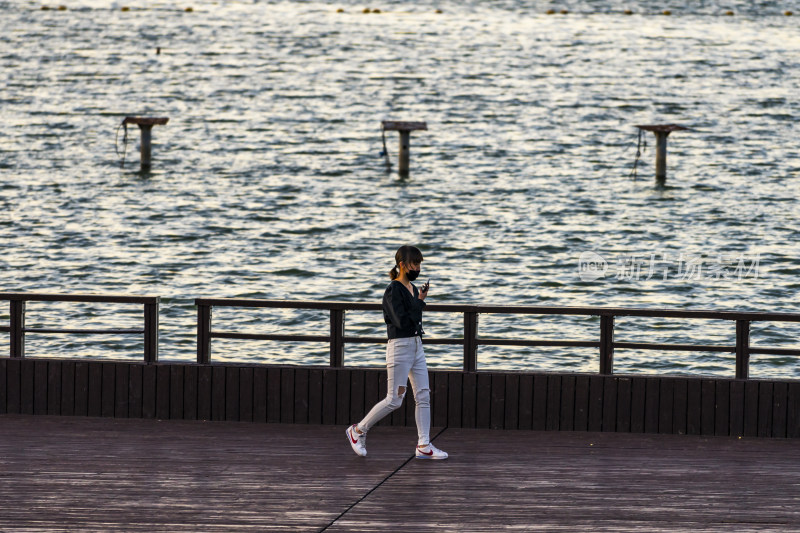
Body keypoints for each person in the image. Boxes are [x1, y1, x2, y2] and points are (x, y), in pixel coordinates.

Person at [345, 245, 448, 460]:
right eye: (414, 264)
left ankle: (424, 445)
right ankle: (358, 430)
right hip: (400, 347)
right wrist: (420, 302)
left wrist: (418, 299)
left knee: (423, 395)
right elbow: (401, 321)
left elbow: (412, 319)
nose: (418, 268)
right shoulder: (393, 290)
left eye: (420, 264)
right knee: (394, 399)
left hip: (416, 346)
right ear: (402, 265)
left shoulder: (411, 288)